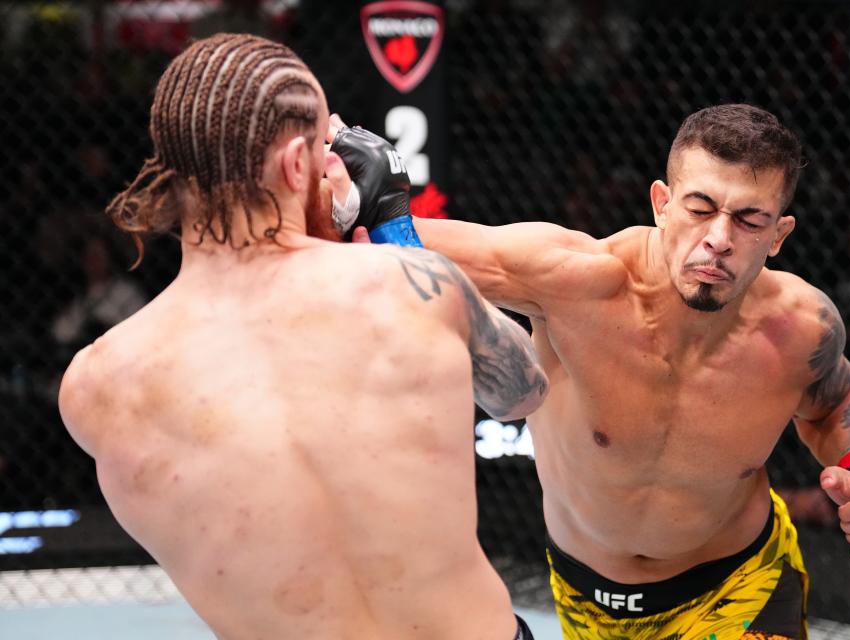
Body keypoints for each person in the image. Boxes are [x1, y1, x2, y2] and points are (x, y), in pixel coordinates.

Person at [331, 104, 850, 640]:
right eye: (700, 208)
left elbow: (834, 396)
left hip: (741, 586)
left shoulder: (800, 325)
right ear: (661, 203)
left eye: (749, 220)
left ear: (779, 234)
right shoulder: (577, 281)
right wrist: (358, 197)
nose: (718, 240)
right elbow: (394, 245)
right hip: (584, 598)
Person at [57, 33, 547, 640]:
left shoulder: (95, 386)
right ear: (295, 165)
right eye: (324, 150)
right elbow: (522, 394)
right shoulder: (410, 286)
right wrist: (393, 232)